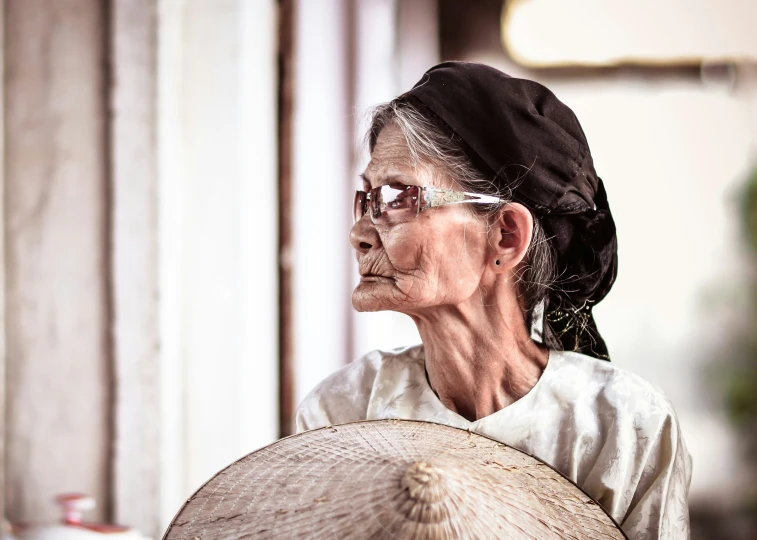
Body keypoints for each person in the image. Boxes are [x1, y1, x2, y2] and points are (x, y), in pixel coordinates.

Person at [295, 62, 691, 539]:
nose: (359, 233)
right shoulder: (346, 413)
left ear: (505, 236)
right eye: (367, 199)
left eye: (397, 198)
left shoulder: (623, 429)